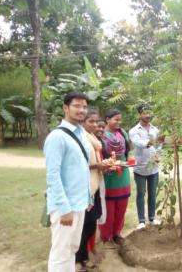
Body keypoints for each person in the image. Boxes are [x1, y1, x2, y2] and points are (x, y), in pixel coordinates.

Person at [44, 92, 91, 272]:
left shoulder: (81, 133)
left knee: (72, 248)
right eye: (77, 106)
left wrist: (88, 198)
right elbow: (52, 175)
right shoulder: (57, 137)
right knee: (60, 252)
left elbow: (81, 169)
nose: (81, 110)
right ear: (65, 108)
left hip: (79, 203)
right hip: (65, 207)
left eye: (84, 107)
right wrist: (64, 209)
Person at [75, 110, 109, 271]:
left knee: (91, 223)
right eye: (91, 122)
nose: (95, 125)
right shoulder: (81, 138)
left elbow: (95, 161)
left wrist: (103, 165)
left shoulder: (93, 139)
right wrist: (98, 166)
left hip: (94, 185)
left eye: (96, 122)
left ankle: (83, 256)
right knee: (84, 225)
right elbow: (76, 165)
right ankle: (78, 259)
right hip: (85, 186)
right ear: (83, 122)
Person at [99, 109, 131, 248]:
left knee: (121, 207)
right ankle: (107, 237)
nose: (118, 122)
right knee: (108, 209)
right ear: (107, 119)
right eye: (115, 119)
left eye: (120, 120)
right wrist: (108, 165)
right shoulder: (101, 135)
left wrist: (129, 159)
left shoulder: (122, 133)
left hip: (123, 173)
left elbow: (127, 152)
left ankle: (117, 233)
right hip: (108, 175)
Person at [129, 104, 164, 229]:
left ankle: (152, 218)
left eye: (149, 113)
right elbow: (139, 143)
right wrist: (152, 142)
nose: (148, 115)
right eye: (145, 113)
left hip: (153, 168)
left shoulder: (155, 129)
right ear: (139, 114)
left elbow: (160, 145)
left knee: (153, 193)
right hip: (140, 168)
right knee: (141, 193)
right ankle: (141, 220)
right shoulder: (134, 130)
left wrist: (159, 151)